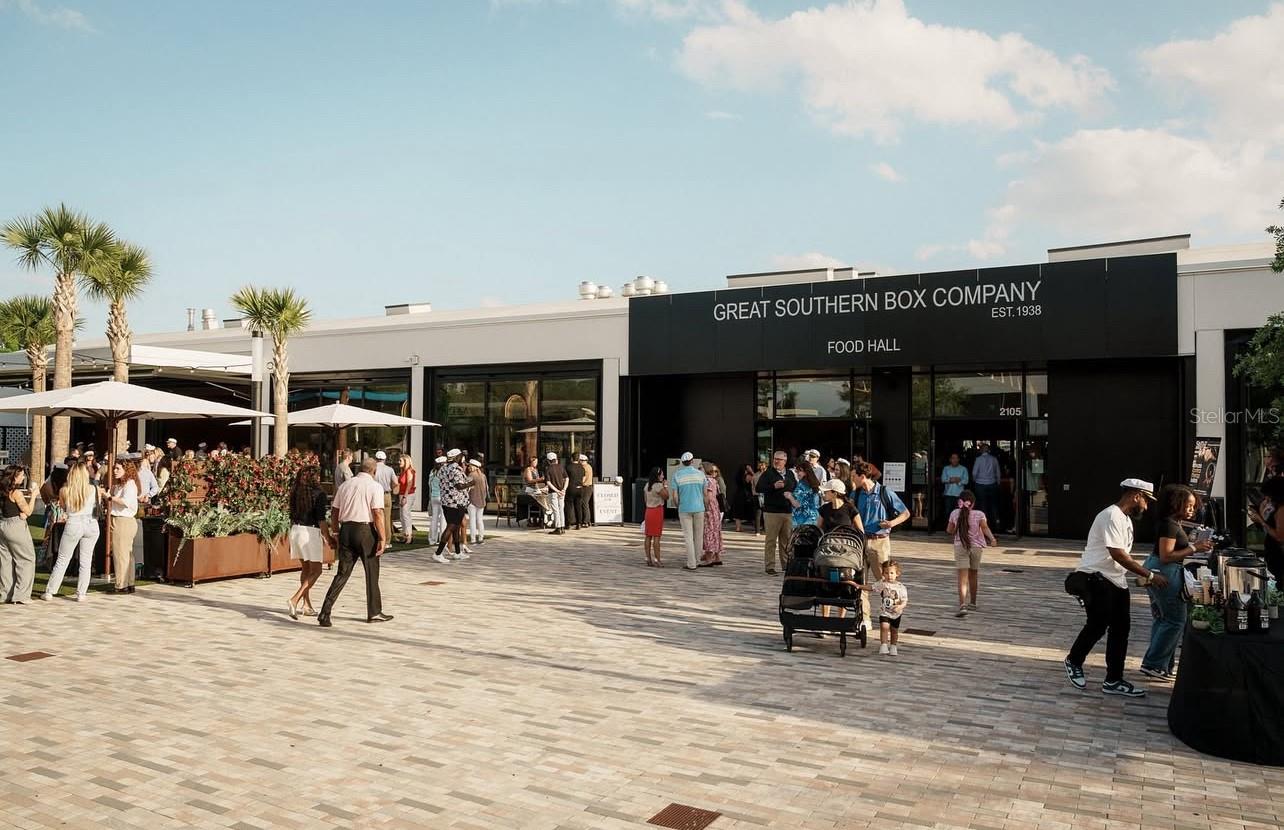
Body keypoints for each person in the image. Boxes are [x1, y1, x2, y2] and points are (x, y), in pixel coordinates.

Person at [1064, 478, 1162, 697]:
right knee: (1097, 625)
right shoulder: (1111, 516)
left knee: (1121, 630)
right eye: (1146, 501)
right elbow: (1118, 554)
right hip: (1096, 578)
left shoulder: (1124, 519)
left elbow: (1121, 557)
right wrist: (1149, 575)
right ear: (1136, 496)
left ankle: (1114, 680)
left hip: (1116, 580)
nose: (1146, 507)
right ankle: (1074, 660)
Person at [1140, 484, 1213, 680]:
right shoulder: (1170, 525)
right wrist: (1194, 548)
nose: (1192, 510)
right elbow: (1166, 555)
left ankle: (1161, 665)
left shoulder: (1172, 523)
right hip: (1165, 571)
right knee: (1175, 620)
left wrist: (1193, 546)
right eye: (1188, 505)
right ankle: (1154, 664)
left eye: (1193, 506)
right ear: (1175, 504)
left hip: (1159, 569)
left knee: (1163, 618)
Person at [317, 458, 391, 626]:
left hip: (346, 529)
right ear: (374, 471)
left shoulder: (345, 485)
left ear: (360, 469)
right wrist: (382, 537)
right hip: (365, 530)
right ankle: (374, 612)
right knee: (371, 572)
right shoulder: (375, 486)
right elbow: (377, 513)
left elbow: (334, 511)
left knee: (342, 573)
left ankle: (325, 612)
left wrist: (336, 532)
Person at [852, 461, 910, 628]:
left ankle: (890, 614)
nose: (852, 479)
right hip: (860, 541)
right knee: (861, 581)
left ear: (863, 476)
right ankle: (865, 618)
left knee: (885, 582)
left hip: (880, 541)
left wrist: (892, 523)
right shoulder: (855, 494)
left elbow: (905, 513)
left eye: (854, 476)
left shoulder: (884, 492)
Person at [40, 463, 100, 602]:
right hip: (91, 523)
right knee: (86, 561)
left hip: (74, 522)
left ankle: (50, 591)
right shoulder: (93, 489)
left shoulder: (65, 490)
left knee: (63, 559)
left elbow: (63, 507)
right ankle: (81, 593)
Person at [286, 466, 331, 619]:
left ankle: (306, 605)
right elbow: (321, 519)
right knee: (316, 571)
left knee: (306, 569)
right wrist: (328, 537)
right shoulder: (319, 494)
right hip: (310, 533)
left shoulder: (295, 492)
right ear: (315, 477)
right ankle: (295, 599)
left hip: (295, 531)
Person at [947, 489, 996, 617]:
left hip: (960, 546)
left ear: (959, 502)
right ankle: (973, 602)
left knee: (962, 578)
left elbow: (949, 530)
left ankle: (962, 604)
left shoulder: (954, 513)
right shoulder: (980, 514)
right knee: (973, 575)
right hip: (976, 548)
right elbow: (984, 528)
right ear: (973, 503)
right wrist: (992, 539)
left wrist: (957, 528)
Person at [0, 465, 38, 604]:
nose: (23, 477)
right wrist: (33, 496)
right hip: (15, 527)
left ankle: (5, 594)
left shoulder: (2, 490)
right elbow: (28, 511)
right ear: (14, 477)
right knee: (26, 559)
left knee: (6, 561)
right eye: (21, 475)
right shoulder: (16, 493)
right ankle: (21, 596)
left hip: (3, 525)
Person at [756, 451, 796, 575]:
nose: (776, 461)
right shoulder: (768, 473)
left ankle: (786, 565)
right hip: (772, 511)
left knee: (786, 541)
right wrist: (773, 486)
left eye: (779, 459)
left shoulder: (790, 473)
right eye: (775, 459)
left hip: (787, 511)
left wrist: (788, 487)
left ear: (785, 461)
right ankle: (770, 566)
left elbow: (794, 486)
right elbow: (759, 488)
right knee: (771, 540)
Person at [105, 460, 141, 595]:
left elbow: (125, 502)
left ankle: (121, 585)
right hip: (121, 520)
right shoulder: (121, 484)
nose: (115, 471)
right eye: (114, 468)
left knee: (121, 554)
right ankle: (129, 583)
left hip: (123, 521)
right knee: (126, 554)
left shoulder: (130, 484)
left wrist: (110, 497)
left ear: (126, 470)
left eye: (118, 468)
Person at [671, 452, 707, 571]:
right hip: (699, 508)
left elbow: (675, 496)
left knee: (688, 537)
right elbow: (705, 494)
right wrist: (706, 507)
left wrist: (678, 506)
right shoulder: (701, 475)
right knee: (698, 536)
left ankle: (691, 563)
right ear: (692, 461)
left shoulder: (677, 475)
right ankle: (697, 560)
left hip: (684, 508)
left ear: (682, 462)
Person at [434, 450, 471, 562]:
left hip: (446, 501)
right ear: (457, 457)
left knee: (456, 526)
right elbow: (459, 486)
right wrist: (471, 483)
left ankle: (457, 552)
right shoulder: (456, 469)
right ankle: (438, 553)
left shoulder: (443, 468)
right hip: (456, 502)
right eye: (460, 456)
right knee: (451, 526)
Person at [870, 560, 909, 656]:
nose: (889, 575)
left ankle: (893, 646)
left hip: (896, 614)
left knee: (894, 631)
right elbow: (872, 588)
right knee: (884, 627)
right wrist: (859, 586)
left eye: (891, 573)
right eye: (886, 573)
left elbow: (904, 601)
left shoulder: (901, 587)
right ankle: (883, 645)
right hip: (885, 612)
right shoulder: (882, 584)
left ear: (897, 574)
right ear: (883, 574)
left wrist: (900, 607)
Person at [1250, 475, 1284, 583]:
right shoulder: (1275, 508)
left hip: (1279, 556)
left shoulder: (1281, 509)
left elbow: (1279, 536)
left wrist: (1261, 521)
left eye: (1268, 496)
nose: (1267, 499)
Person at [971, 443, 1001, 532]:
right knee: (994, 504)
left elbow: (974, 473)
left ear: (981, 450)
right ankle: (997, 523)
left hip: (980, 484)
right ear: (988, 450)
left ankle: (984, 525)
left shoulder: (978, 459)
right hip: (992, 483)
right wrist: (998, 482)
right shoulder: (994, 459)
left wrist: (974, 480)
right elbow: (998, 472)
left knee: (982, 505)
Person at [700, 462, 724, 567]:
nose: (699, 470)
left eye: (700, 468)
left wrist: (704, 508)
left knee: (708, 532)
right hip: (716, 508)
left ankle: (709, 558)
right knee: (716, 531)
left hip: (709, 509)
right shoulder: (714, 480)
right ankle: (717, 556)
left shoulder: (707, 481)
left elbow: (708, 497)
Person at [642, 467, 668, 567]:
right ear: (658, 476)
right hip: (657, 511)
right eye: (662, 474)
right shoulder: (658, 486)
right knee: (657, 536)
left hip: (649, 510)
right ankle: (657, 559)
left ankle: (648, 558)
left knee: (648, 535)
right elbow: (666, 496)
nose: (663, 476)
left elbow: (645, 500)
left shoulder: (647, 485)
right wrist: (665, 486)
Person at [786, 459, 822, 527]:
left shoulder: (802, 485)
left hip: (802, 521)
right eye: (797, 471)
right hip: (814, 519)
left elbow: (797, 504)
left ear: (806, 472)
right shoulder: (814, 484)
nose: (797, 473)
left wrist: (789, 496)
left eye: (799, 471)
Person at [373, 451, 396, 550]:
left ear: (376, 459)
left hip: (375, 494)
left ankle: (376, 539)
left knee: (375, 517)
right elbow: (395, 482)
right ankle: (386, 541)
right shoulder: (390, 469)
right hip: (386, 494)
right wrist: (391, 488)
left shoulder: (373, 469)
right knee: (386, 518)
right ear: (385, 459)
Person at [522, 456, 553, 527]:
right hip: (528, 489)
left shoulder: (536, 469)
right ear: (531, 462)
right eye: (535, 462)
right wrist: (540, 479)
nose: (536, 463)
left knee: (544, 496)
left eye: (537, 462)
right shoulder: (528, 469)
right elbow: (529, 480)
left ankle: (543, 516)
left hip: (535, 488)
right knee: (540, 497)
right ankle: (539, 516)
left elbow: (537, 480)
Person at [543, 452, 569, 535]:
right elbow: (567, 478)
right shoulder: (561, 467)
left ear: (548, 461)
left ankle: (558, 528)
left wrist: (556, 490)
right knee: (561, 509)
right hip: (562, 492)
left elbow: (548, 482)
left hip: (553, 492)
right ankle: (562, 527)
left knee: (556, 510)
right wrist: (564, 489)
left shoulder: (548, 469)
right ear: (556, 459)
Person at [466, 459, 488, 545]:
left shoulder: (471, 475)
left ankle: (473, 539)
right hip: (481, 501)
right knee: (480, 520)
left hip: (472, 501)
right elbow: (486, 489)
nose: (469, 467)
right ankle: (481, 538)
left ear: (474, 467)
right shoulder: (483, 476)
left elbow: (467, 489)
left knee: (472, 520)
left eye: (470, 466)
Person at [397, 455, 417, 545]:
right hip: (402, 494)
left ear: (406, 461)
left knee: (406, 515)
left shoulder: (409, 471)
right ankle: (405, 535)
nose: (399, 462)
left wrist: (404, 497)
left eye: (400, 461)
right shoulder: (403, 471)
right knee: (402, 516)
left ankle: (409, 536)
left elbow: (409, 484)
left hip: (408, 495)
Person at [732, 465, 757, 533]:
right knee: (752, 511)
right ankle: (756, 527)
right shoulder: (748, 476)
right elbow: (755, 479)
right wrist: (751, 471)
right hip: (746, 495)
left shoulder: (738, 476)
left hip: (738, 494)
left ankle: (738, 527)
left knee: (738, 512)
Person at [427, 456, 446, 544]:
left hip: (433, 497)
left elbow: (429, 485)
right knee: (443, 518)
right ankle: (442, 538)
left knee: (434, 518)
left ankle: (432, 539)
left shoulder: (432, 472)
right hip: (442, 497)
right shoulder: (444, 472)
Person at [565, 453, 585, 530]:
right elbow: (583, 478)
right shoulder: (581, 467)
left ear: (571, 458)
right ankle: (579, 523)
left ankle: (568, 523)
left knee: (568, 506)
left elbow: (565, 478)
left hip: (571, 488)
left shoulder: (568, 467)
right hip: (580, 488)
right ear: (578, 459)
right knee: (578, 506)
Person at [751, 460, 768, 534]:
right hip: (764, 495)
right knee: (765, 513)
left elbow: (752, 486)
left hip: (756, 495)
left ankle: (757, 531)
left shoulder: (755, 475)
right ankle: (765, 529)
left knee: (758, 513)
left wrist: (754, 493)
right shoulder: (767, 475)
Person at [578, 454, 595, 528]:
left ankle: (586, 521)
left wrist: (578, 484)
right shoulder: (589, 466)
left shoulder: (584, 468)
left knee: (584, 504)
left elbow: (583, 479)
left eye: (579, 461)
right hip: (589, 487)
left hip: (586, 487)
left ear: (581, 461)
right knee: (585, 504)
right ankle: (588, 521)